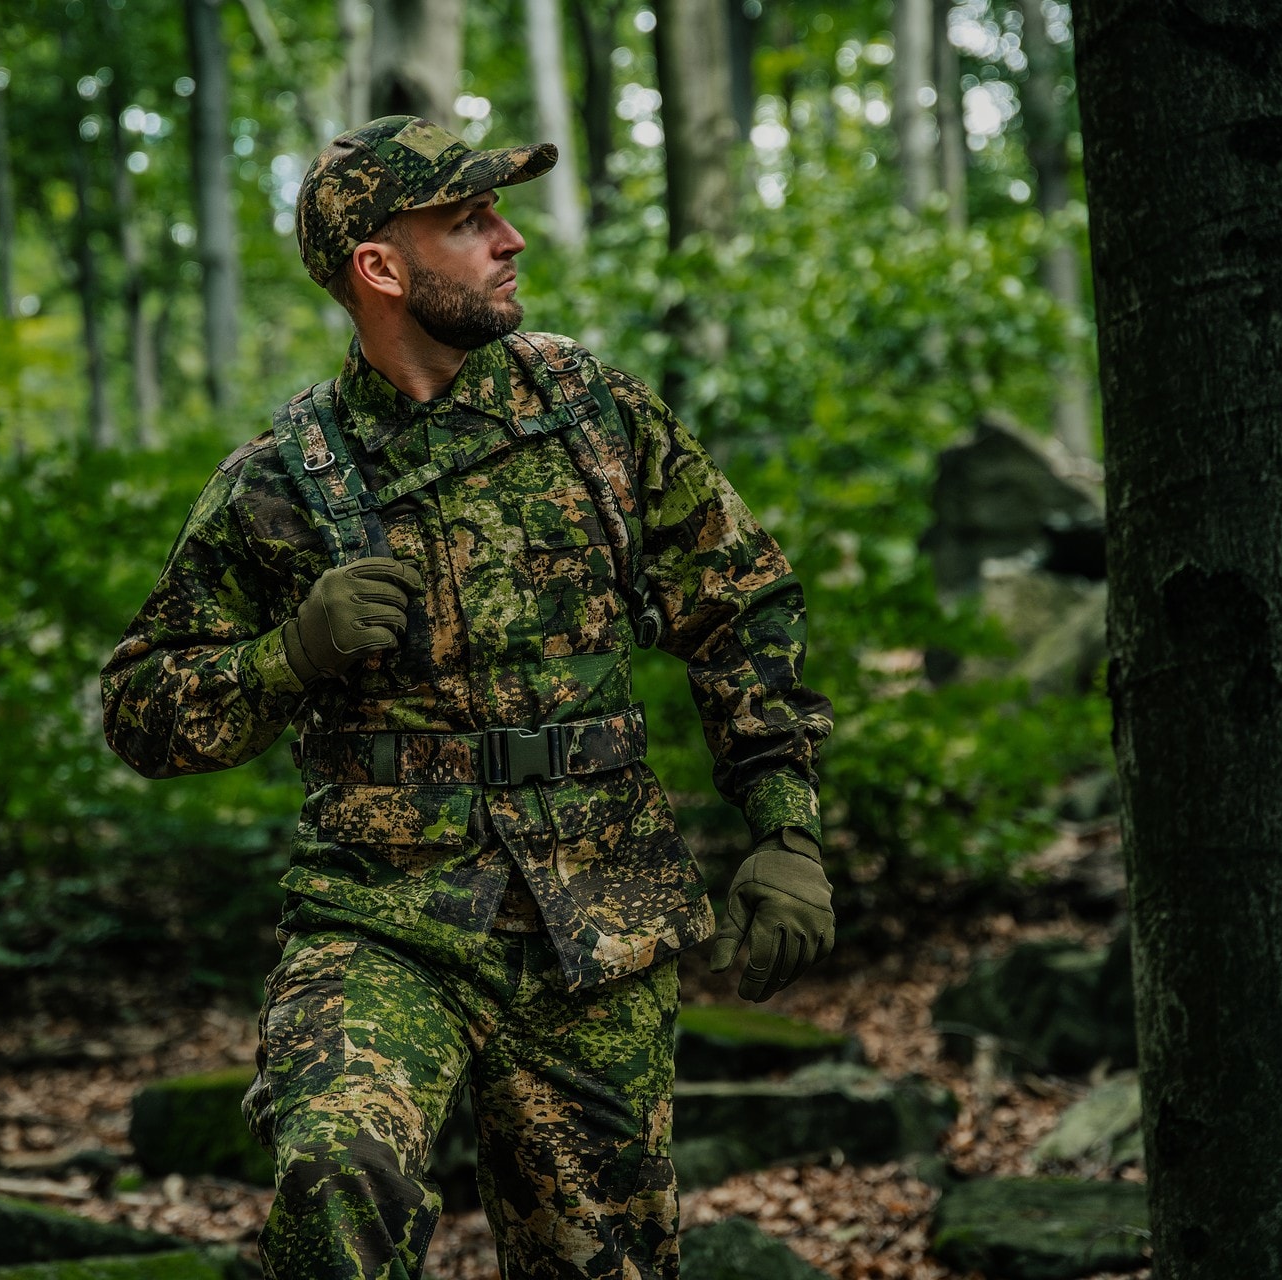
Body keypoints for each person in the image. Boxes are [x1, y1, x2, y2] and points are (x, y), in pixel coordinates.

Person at [102, 115, 837, 1280]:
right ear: (380, 268)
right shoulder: (279, 483)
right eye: (467, 219)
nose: (509, 239)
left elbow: (739, 603)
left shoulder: (593, 413)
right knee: (337, 1174)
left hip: (598, 915)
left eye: (498, 211)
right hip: (381, 916)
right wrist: (289, 653)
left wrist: (785, 823)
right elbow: (140, 706)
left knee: (605, 1262)